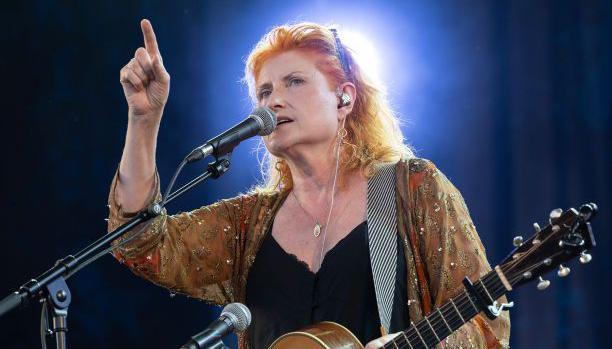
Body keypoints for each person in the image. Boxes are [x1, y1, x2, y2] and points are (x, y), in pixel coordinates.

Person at [110, 19, 510, 349]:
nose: (273, 101)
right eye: (264, 91)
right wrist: (144, 120)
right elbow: (140, 243)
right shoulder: (249, 224)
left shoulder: (414, 189)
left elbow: (487, 327)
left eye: (294, 82)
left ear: (345, 99)